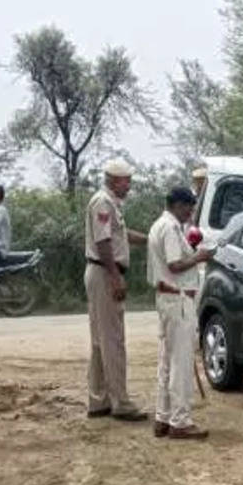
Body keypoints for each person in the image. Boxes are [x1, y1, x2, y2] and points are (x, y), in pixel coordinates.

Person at [85, 158, 150, 422]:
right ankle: (120, 402)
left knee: (101, 341)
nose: (129, 185)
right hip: (104, 272)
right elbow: (103, 242)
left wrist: (149, 238)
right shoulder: (103, 202)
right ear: (114, 180)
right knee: (113, 341)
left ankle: (98, 400)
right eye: (126, 181)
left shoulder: (110, 204)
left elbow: (120, 235)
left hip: (100, 272)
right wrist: (115, 277)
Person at [147, 187, 214, 439]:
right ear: (177, 204)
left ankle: (163, 417)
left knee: (166, 360)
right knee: (181, 363)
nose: (191, 211)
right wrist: (200, 257)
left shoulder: (158, 225)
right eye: (189, 206)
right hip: (178, 299)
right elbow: (175, 265)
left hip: (167, 298)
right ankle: (180, 421)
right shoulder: (171, 227)